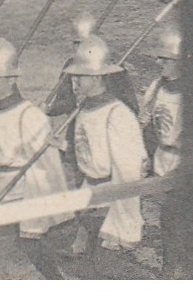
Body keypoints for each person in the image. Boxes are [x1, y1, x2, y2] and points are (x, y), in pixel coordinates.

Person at [0, 37, 72, 278]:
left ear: (12, 80)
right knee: (27, 246)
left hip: (19, 191)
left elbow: (47, 165)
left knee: (6, 247)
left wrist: (47, 204)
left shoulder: (29, 115)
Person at [60, 34, 150, 278]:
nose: (74, 80)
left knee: (106, 268)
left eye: (80, 75)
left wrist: (122, 221)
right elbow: (83, 154)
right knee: (89, 268)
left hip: (110, 202)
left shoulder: (117, 115)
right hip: (90, 198)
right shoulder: (84, 108)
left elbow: (129, 173)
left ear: (98, 77)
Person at [138, 25, 183, 178]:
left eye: (165, 59)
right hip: (160, 161)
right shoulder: (156, 87)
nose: (158, 63)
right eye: (159, 58)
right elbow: (149, 128)